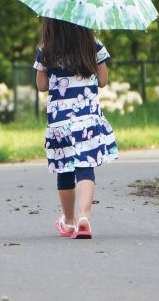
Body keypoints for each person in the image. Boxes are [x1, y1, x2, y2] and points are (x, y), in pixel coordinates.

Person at [34, 17, 118, 239]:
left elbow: (41, 85)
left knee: (64, 169)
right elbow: (102, 80)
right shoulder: (94, 45)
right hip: (87, 118)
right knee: (85, 166)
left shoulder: (46, 49)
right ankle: (84, 217)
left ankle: (69, 221)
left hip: (59, 120)